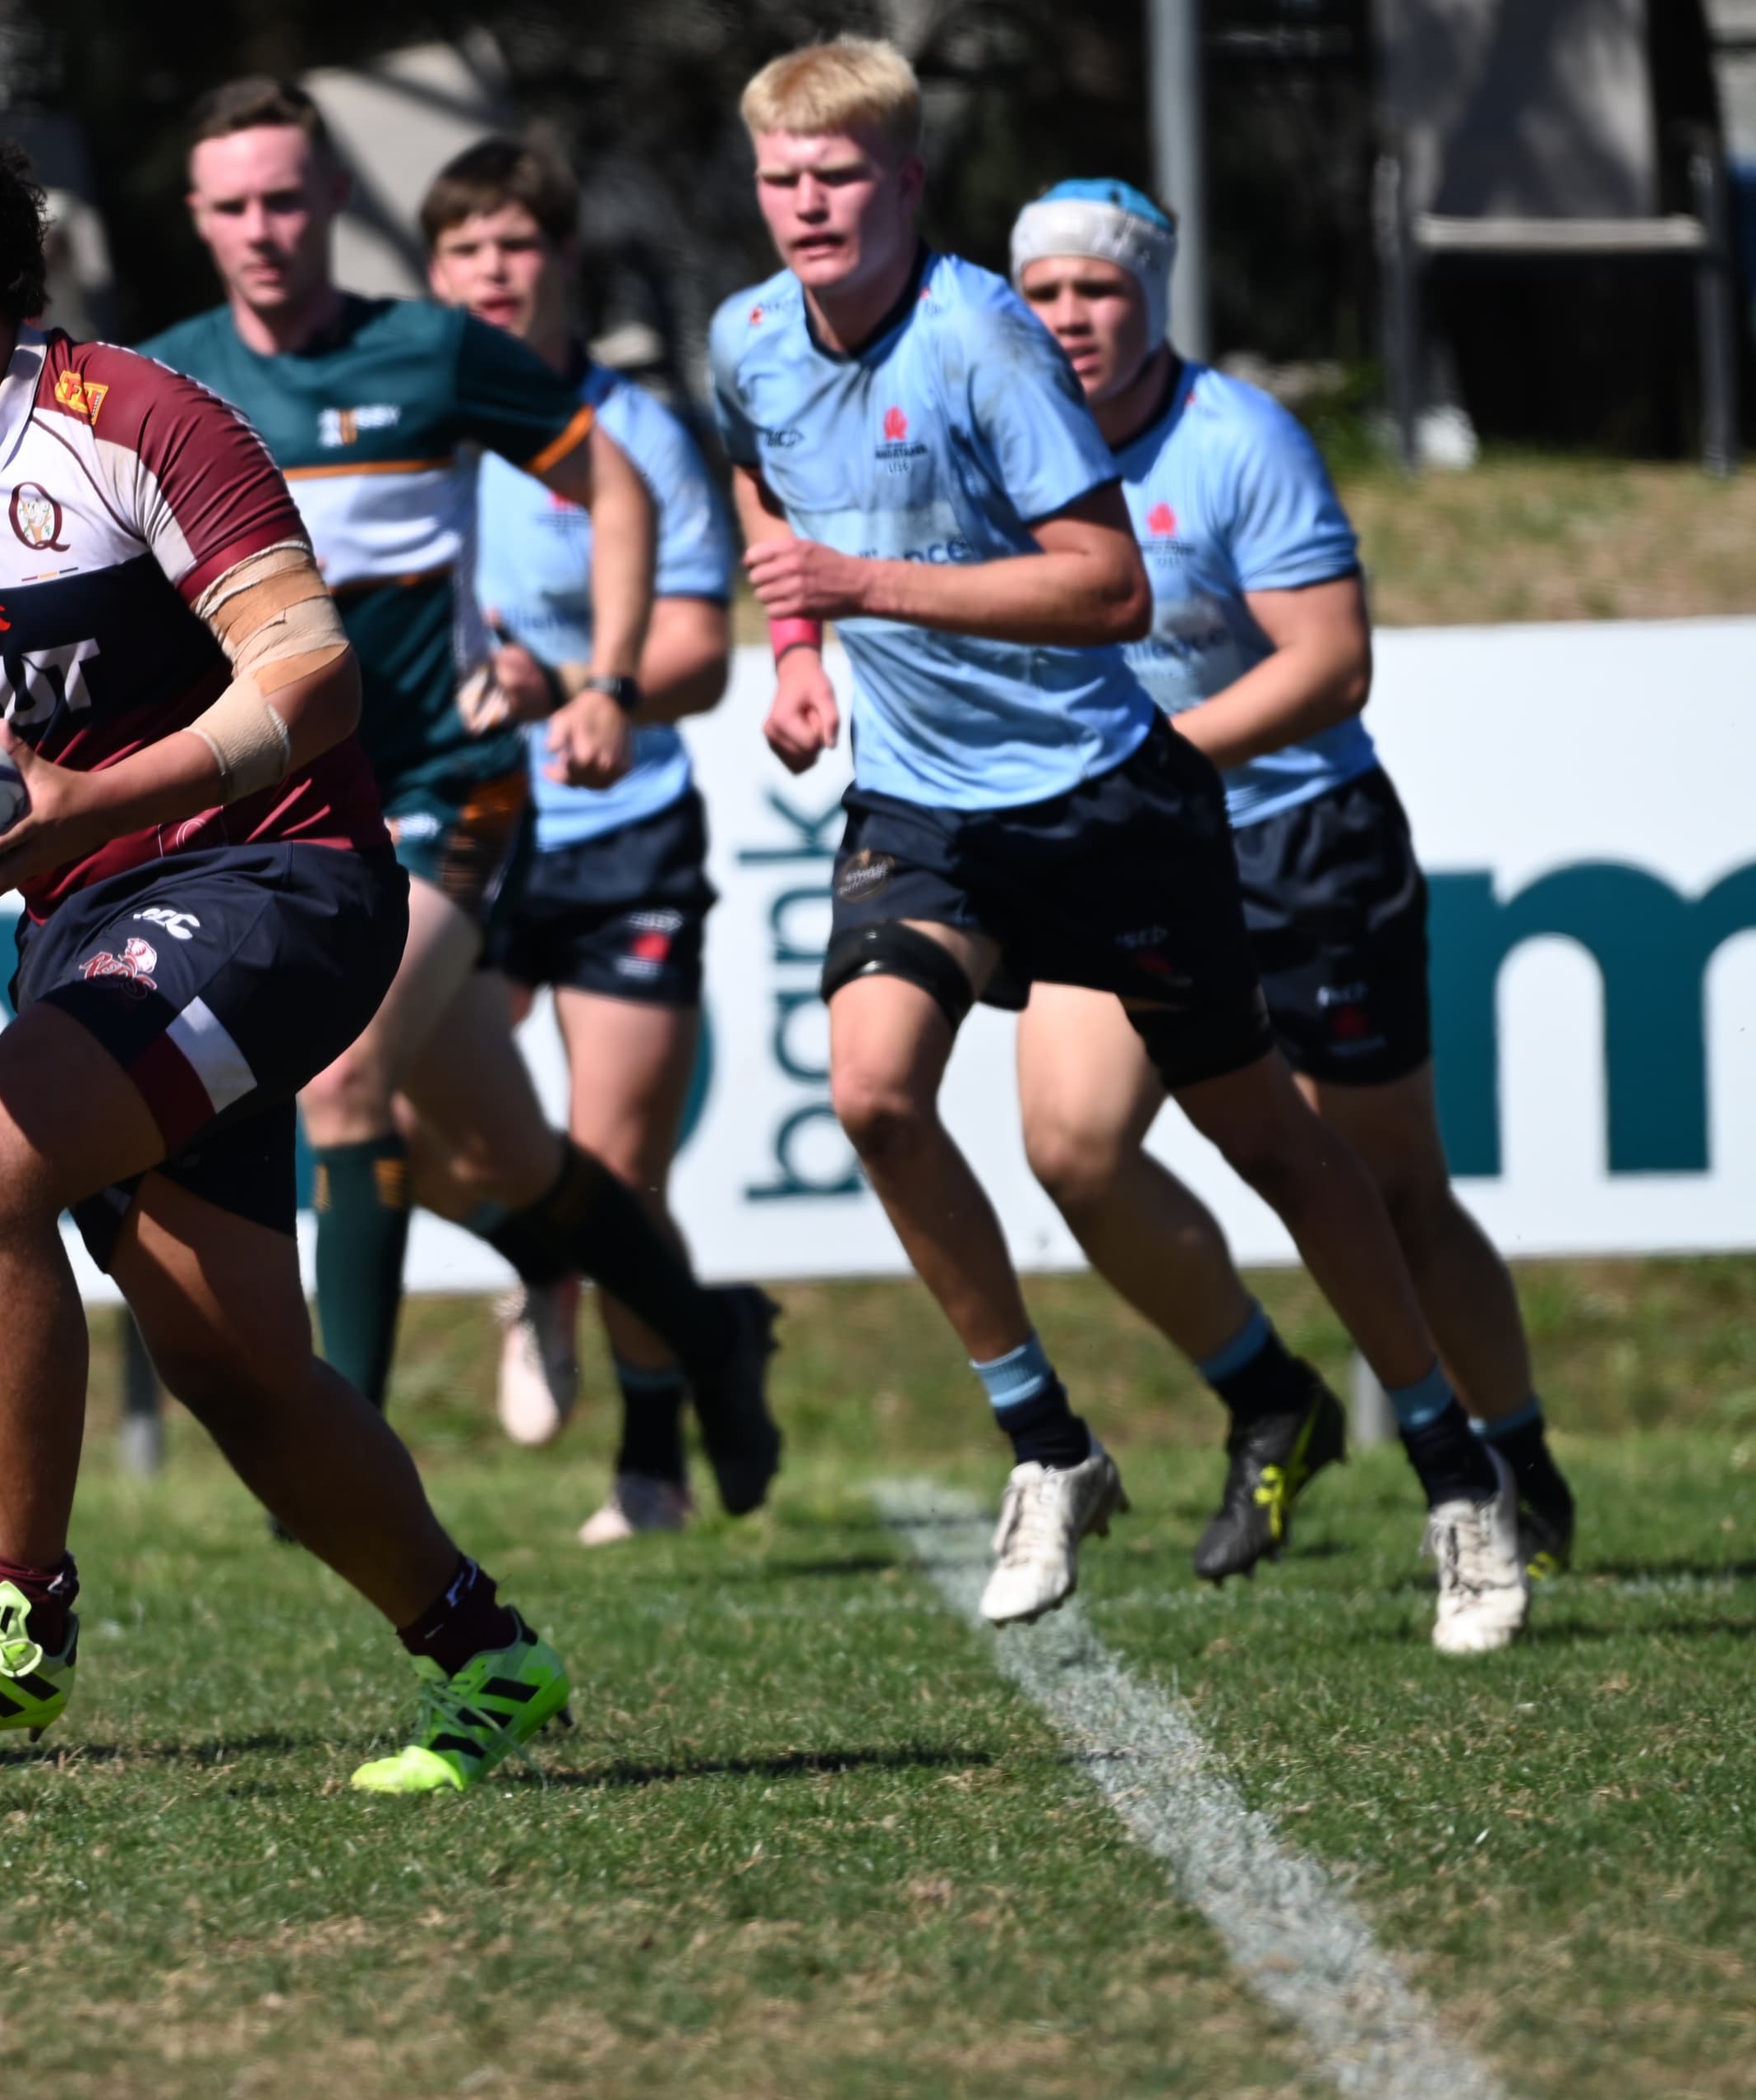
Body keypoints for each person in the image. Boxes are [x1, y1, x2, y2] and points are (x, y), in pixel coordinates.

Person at [0, 106, 571, 1794]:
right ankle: (487, 1657)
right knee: (240, 1373)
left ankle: (14, 1618)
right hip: (96, 922)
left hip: (278, 880)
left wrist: (90, 802)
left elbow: (312, 681)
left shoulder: (140, 422)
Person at [713, 39, 1528, 1653]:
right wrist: (802, 655)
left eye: (842, 176)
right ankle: (1048, 1444)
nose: (809, 205)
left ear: (908, 185)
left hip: (1106, 801)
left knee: (1284, 1149)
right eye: (782, 180)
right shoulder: (746, 332)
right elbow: (761, 475)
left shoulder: (982, 340)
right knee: (874, 1090)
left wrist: (859, 591)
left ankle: (1457, 1469)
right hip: (929, 805)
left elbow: (1110, 591)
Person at [143, 81, 781, 1520]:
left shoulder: (427, 354)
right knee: (510, 1157)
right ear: (197, 217)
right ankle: (709, 1333)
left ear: (331, 202)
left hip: (444, 791)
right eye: (233, 204)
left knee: (343, 1080)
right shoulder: (160, 382)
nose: (263, 229)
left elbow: (613, 485)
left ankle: (334, 1455)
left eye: (288, 199)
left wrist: (606, 675)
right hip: (276, 813)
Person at [1004, 177, 1578, 1583]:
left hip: (1297, 840)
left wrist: (1159, 757)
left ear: (1153, 298)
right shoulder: (1007, 443)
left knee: (1392, 1193)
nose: (1071, 315)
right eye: (1046, 290)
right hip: (1122, 847)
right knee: (1071, 1146)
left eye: (1099, 288)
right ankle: (1273, 1396)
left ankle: (1517, 1449)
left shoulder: (1238, 438)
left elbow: (1332, 664)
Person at [420, 136, 781, 1539]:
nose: (493, 274)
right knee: (391, 1115)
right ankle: (544, 1261)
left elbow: (701, 651)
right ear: (435, 276)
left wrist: (581, 691)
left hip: (621, 828)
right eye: (465, 253)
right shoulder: (412, 431)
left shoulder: (631, 433)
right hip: (461, 834)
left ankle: (652, 1460)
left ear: (561, 260)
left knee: (621, 1163)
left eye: (516, 246)